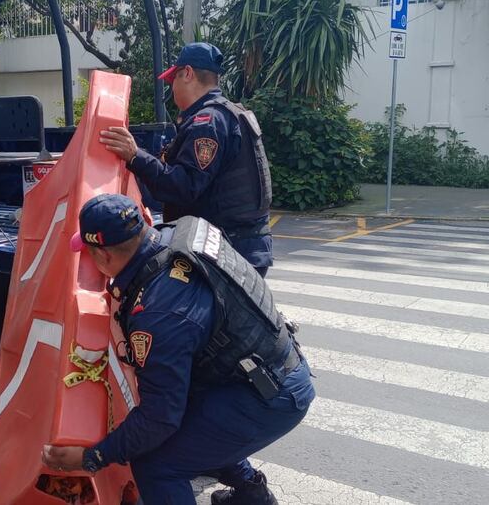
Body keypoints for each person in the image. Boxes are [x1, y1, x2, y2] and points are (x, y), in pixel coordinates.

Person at [41, 194, 313, 505]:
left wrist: (93, 456)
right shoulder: (181, 232)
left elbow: (159, 418)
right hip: (265, 370)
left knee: (156, 464)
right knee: (193, 429)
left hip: (268, 397)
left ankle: (251, 494)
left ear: (103, 256)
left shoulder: (158, 313)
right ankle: (252, 497)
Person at [98, 42, 275, 276]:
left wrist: (134, 156)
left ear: (188, 74)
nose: (172, 91)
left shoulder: (208, 122)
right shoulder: (229, 113)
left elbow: (184, 186)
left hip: (227, 251)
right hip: (240, 247)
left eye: (174, 81)